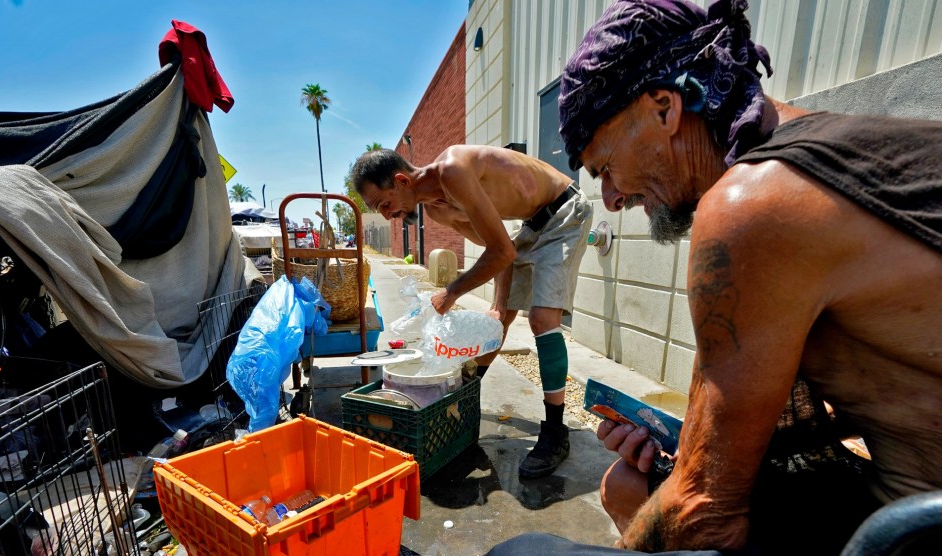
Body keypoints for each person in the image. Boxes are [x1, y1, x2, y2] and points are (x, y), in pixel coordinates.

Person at [537, 0, 940, 553]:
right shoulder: (828, 150)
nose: (610, 198)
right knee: (633, 483)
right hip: (909, 500)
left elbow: (707, 511)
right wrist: (680, 446)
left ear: (663, 108)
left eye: (605, 166)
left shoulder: (753, 204)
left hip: (911, 528)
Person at [351, 145, 593, 478]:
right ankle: (465, 398)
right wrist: (498, 308)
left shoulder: (453, 170)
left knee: (542, 320)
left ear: (402, 180)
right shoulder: (439, 211)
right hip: (532, 226)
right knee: (498, 323)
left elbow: (501, 251)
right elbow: (501, 248)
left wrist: (451, 292)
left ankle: (555, 432)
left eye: (385, 204)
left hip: (564, 211)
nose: (389, 215)